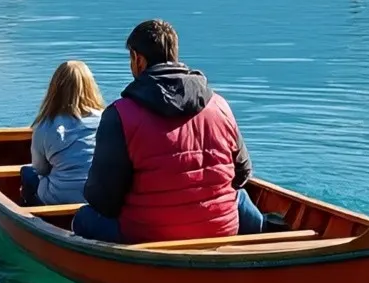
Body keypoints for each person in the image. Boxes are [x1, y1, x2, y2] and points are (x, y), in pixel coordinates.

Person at [72, 20, 268, 243]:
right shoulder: (220, 105)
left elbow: (104, 199)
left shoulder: (119, 115)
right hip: (221, 229)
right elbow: (242, 174)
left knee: (84, 218)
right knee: (240, 197)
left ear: (138, 60)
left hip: (146, 235)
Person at [20, 61, 106, 206]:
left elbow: (40, 168)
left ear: (54, 89)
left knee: (27, 172)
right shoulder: (106, 119)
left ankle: (32, 213)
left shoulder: (44, 125)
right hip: (99, 196)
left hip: (57, 198)